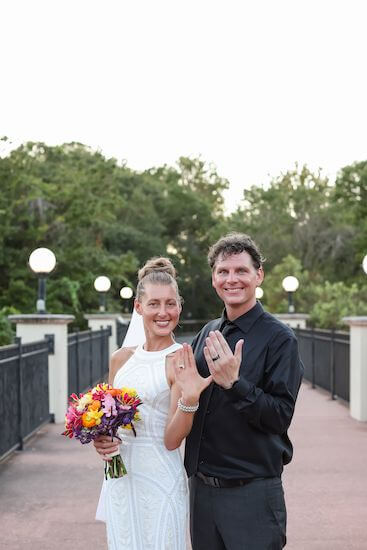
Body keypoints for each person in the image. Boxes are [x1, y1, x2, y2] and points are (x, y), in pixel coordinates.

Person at [185, 233, 304, 550]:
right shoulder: (207, 333)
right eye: (223, 271)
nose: (231, 279)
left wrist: (235, 385)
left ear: (258, 275)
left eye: (241, 271)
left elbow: (279, 416)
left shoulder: (280, 339)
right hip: (201, 494)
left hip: (251, 494)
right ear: (213, 278)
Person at [93, 257, 211, 550]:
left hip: (160, 477)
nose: (163, 312)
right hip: (120, 478)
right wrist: (101, 438)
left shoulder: (180, 361)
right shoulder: (120, 359)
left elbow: (172, 440)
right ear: (138, 307)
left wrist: (190, 399)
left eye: (170, 304)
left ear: (180, 307)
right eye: (154, 304)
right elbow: (108, 418)